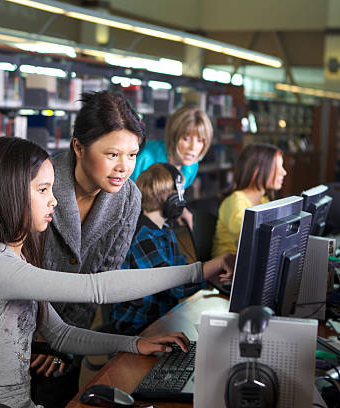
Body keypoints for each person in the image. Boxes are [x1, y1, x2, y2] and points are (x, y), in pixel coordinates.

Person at [0, 137, 235, 408]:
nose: (53, 200)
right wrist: (200, 270)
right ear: (9, 193)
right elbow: (98, 288)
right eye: (43, 190)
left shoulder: (17, 259)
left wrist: (134, 344)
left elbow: (60, 334)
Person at [32, 90, 144, 407]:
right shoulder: (39, 182)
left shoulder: (128, 199)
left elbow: (101, 279)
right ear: (78, 147)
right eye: (112, 155)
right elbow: (16, 271)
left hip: (70, 335)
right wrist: (42, 340)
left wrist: (66, 344)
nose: (124, 167)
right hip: (18, 329)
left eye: (132, 155)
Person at [111, 163, 234, 335]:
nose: (182, 200)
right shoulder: (142, 236)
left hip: (161, 317)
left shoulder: (165, 229)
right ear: (171, 199)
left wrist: (212, 277)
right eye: (180, 193)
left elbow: (180, 267)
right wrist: (210, 273)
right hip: (137, 327)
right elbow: (174, 286)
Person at [130, 105, 213, 228]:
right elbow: (125, 200)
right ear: (173, 136)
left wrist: (181, 210)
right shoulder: (145, 158)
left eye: (200, 140)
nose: (193, 148)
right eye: (186, 139)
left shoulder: (191, 166)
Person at [211, 143, 287, 258]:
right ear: (257, 170)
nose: (284, 172)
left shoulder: (265, 200)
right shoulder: (235, 201)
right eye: (278, 167)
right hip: (228, 269)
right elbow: (250, 241)